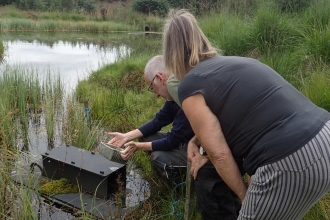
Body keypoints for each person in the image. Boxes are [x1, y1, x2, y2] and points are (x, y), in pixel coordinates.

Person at [162, 9, 330, 220]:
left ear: (171, 54)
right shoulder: (238, 63)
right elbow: (244, 116)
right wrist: (196, 139)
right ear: (200, 38)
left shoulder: (189, 84)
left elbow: (219, 154)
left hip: (290, 159)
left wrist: (245, 195)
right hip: (324, 137)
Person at [108, 55, 194, 186]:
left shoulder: (185, 97)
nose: (156, 95)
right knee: (145, 136)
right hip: (183, 142)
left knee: (159, 158)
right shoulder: (172, 98)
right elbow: (157, 122)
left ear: (160, 78)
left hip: (198, 151)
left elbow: (172, 141)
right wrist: (126, 136)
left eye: (153, 87)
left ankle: (181, 187)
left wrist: (137, 147)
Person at [167, 73, 244, 219]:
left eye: (152, 88)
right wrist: (194, 141)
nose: (156, 95)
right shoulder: (222, 72)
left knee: (206, 173)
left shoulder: (174, 83)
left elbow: (221, 128)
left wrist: (208, 157)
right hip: (257, 138)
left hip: (263, 147)